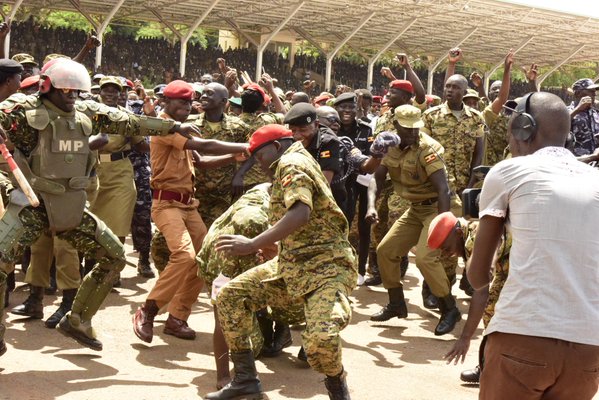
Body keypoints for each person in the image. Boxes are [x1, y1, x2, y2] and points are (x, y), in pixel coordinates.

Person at [0, 58, 202, 352]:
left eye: (76, 91)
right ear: (47, 87)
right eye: (65, 90)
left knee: (114, 256)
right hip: (31, 205)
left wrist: (172, 126)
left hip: (70, 206)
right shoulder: (23, 108)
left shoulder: (86, 111)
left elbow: (129, 121)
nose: (72, 96)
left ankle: (78, 319)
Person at [206, 124, 356, 400]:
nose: (257, 164)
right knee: (230, 297)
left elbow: (301, 213)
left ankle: (337, 386)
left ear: (275, 147)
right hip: (292, 263)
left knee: (321, 341)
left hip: (326, 267)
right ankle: (245, 380)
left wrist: (252, 244)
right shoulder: (295, 160)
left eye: (258, 156)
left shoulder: (291, 163)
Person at [468, 92, 599, 399]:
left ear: (524, 128)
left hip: (523, 334)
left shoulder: (507, 172)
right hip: (588, 347)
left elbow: (478, 275)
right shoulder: (595, 179)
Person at [133, 80, 249, 344]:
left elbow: (203, 161)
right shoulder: (163, 125)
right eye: (181, 102)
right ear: (167, 102)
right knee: (184, 255)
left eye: (188, 102)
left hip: (188, 204)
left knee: (204, 259)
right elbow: (204, 146)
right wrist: (242, 147)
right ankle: (148, 311)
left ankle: (177, 317)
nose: (187, 107)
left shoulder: (181, 128)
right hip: (166, 203)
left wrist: (234, 158)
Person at [366, 105, 462, 336]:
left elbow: (443, 190)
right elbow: (376, 179)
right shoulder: (389, 146)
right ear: (396, 126)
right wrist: (371, 206)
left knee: (425, 258)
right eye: (406, 130)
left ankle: (449, 308)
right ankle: (396, 303)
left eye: (415, 129)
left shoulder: (428, 149)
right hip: (416, 209)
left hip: (437, 208)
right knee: (386, 250)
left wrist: (444, 225)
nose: (412, 133)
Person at [427, 212, 510, 384]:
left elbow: (482, 291)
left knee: (492, 309)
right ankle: (489, 367)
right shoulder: (468, 237)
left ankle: (490, 370)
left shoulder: (474, 237)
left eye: (446, 247)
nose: (447, 254)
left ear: (457, 232)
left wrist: (465, 338)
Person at [567, 78, 599, 156]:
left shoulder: (596, 113)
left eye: (594, 91)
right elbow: (558, 126)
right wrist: (578, 109)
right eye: (590, 91)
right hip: (577, 161)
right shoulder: (566, 111)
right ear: (578, 93)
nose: (594, 94)